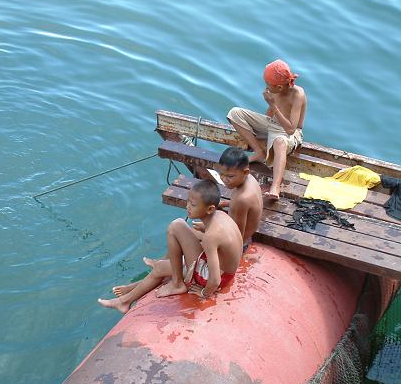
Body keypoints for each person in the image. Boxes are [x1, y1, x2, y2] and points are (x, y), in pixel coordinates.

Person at [98, 180, 242, 313]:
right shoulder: (221, 216)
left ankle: (124, 301)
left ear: (210, 209)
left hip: (215, 277)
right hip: (224, 269)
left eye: (193, 205)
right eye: (188, 202)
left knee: (161, 266)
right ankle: (139, 288)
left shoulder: (212, 236)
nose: (187, 207)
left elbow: (215, 279)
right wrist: (203, 230)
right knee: (177, 224)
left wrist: (205, 293)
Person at [227, 59, 307, 200]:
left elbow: (290, 129)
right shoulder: (274, 91)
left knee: (279, 142)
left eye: (268, 84)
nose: (266, 87)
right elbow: (268, 116)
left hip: (291, 133)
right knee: (235, 113)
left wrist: (273, 105)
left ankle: (275, 186)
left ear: (280, 87)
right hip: (274, 125)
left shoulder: (297, 95)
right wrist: (260, 128)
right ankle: (259, 152)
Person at [215, 146, 263, 250]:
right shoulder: (250, 179)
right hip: (246, 233)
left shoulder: (241, 199)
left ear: (245, 172)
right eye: (221, 174)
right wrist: (227, 203)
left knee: (179, 230)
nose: (224, 179)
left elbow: (236, 237)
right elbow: (249, 207)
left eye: (230, 176)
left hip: (239, 244)